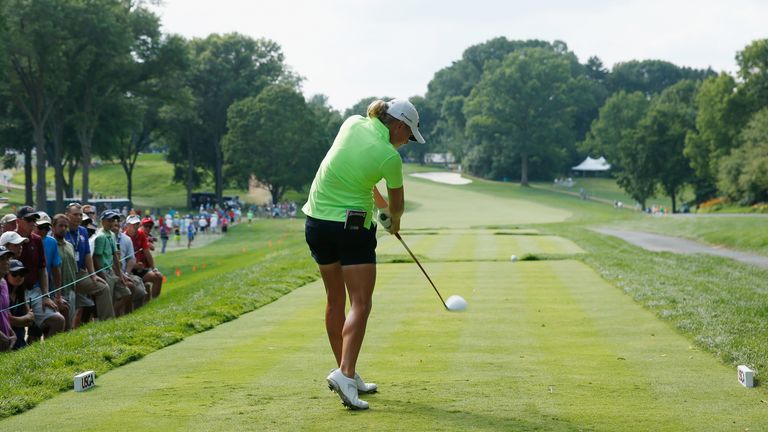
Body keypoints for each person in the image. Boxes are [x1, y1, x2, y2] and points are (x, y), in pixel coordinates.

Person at [302, 98, 424, 410]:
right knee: (361, 302)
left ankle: (348, 372)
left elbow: (359, 177)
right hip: (351, 229)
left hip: (316, 223)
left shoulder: (352, 123)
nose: (406, 142)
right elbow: (398, 205)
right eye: (408, 135)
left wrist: (382, 213)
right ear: (398, 126)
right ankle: (344, 373)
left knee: (334, 300)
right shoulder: (389, 157)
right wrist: (393, 222)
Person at [14, 206, 65, 341]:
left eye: (34, 219)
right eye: (29, 219)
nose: (33, 222)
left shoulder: (37, 240)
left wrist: (46, 295)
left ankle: (46, 356)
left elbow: (42, 269)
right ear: (18, 221)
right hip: (14, 293)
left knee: (58, 320)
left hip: (34, 291)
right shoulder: (10, 239)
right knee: (19, 334)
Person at [64, 203, 114, 322]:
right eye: (75, 214)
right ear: (67, 215)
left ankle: (107, 322)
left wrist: (93, 274)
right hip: (65, 275)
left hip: (79, 274)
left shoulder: (83, 231)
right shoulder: (61, 230)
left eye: (80, 215)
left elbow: (87, 254)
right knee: (69, 304)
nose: (78, 217)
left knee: (103, 287)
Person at [93, 211, 133, 316]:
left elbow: (115, 255)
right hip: (104, 271)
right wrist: (101, 275)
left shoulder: (111, 234)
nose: (111, 223)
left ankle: (113, 315)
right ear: (102, 221)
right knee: (108, 297)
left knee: (126, 292)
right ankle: (106, 319)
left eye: (113, 220)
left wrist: (120, 274)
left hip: (112, 271)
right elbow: (96, 257)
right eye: (109, 220)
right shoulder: (100, 236)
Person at [125, 215, 162, 300]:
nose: (135, 226)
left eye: (137, 224)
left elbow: (147, 251)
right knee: (145, 287)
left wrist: (154, 268)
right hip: (129, 271)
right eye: (146, 226)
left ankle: (155, 303)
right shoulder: (124, 237)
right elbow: (122, 260)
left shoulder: (141, 234)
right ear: (127, 225)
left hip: (142, 269)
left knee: (158, 276)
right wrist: (134, 265)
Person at [6, 259, 34, 349]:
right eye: (14, 273)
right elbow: (9, 321)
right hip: (7, 342)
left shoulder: (21, 293)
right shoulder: (3, 294)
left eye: (22, 273)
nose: (18, 277)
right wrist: (26, 319)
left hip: (20, 342)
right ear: (7, 274)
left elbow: (31, 321)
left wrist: (17, 321)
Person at [0, 246, 17, 351]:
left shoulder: (4, 282)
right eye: (2, 259)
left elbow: (5, 315)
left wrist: (12, 334)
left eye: (8, 258)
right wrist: (2, 337)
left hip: (5, 343)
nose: (7, 262)